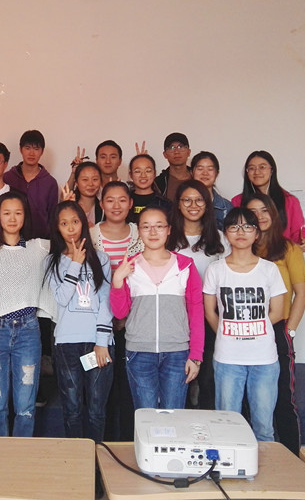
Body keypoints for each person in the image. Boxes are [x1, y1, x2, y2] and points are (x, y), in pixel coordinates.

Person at [0, 191, 54, 436]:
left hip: (28, 332)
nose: (12, 218)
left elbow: (69, 237)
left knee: (25, 407)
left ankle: (21, 453)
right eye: (6, 213)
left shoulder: (38, 246)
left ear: (25, 216)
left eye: (18, 213)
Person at [203, 207, 286, 442]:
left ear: (257, 234)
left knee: (264, 428)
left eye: (248, 226)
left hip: (264, 359)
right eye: (234, 227)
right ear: (226, 234)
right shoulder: (215, 269)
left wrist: (254, 326)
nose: (241, 232)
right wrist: (227, 332)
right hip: (228, 359)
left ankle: (266, 466)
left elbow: (278, 312)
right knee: (227, 427)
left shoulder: (269, 269)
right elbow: (210, 312)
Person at [110, 206, 203, 410]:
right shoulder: (129, 266)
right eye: (146, 226)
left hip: (177, 352)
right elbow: (120, 313)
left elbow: (196, 312)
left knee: (174, 415)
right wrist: (117, 281)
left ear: (169, 230)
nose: (153, 232)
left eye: (159, 226)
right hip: (139, 352)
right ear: (139, 231)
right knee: (146, 417)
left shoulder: (185, 266)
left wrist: (196, 356)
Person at [45, 201, 114, 443]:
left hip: (98, 343)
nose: (71, 228)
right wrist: (75, 263)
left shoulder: (101, 259)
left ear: (83, 224)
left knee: (96, 410)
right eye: (64, 223)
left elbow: (106, 302)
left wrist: (102, 341)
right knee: (72, 409)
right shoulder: (52, 261)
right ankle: (76, 459)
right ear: (57, 228)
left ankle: (96, 456)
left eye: (75, 222)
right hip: (67, 344)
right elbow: (61, 298)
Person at [247, 193, 305, 455]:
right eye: (253, 212)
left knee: (283, 396)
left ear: (273, 214)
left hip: (276, 328)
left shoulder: (288, 248)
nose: (260, 217)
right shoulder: (242, 249)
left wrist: (289, 330)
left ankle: (292, 457)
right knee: (248, 396)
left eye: (265, 210)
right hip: (245, 329)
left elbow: (301, 294)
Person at [167, 179, 229, 410]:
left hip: (210, 316)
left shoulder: (220, 239)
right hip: (176, 318)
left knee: (207, 380)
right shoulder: (167, 238)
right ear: (178, 204)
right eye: (187, 200)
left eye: (199, 200)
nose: (193, 205)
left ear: (207, 204)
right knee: (179, 379)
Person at [89, 181, 142, 441]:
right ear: (101, 204)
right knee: (102, 387)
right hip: (99, 322)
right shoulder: (91, 235)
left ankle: (129, 442)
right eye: (110, 200)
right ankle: (105, 442)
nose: (116, 205)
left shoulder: (141, 232)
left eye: (122, 200)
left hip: (134, 320)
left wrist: (124, 316)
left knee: (129, 384)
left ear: (131, 203)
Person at [231, 150, 305, 251]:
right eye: (251, 168)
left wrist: (304, 241)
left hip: (282, 255)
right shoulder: (237, 201)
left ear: (272, 170)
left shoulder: (289, 200)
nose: (257, 172)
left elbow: (298, 231)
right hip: (250, 256)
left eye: (262, 167)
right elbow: (234, 232)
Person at [3, 129, 59, 239]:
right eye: (27, 148)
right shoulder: (7, 178)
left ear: (42, 152)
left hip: (42, 241)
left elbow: (53, 217)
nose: (31, 153)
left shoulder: (50, 182)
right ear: (20, 150)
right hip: (12, 239)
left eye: (36, 149)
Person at [191, 151, 232, 230]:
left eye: (210, 169)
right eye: (200, 169)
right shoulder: (183, 203)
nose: (205, 173)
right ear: (191, 172)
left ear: (217, 174)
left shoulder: (226, 207)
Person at [127, 154, 171, 223]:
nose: (143, 176)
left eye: (148, 171)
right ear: (131, 175)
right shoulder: (124, 201)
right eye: (137, 171)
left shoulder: (165, 204)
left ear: (154, 174)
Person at [155, 133, 192, 201]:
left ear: (188, 152)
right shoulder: (159, 183)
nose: (176, 152)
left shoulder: (197, 177)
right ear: (165, 154)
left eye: (180, 147)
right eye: (171, 148)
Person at [71, 161, 103, 226]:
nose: (90, 184)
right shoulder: (69, 207)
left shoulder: (104, 209)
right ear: (76, 183)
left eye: (95, 179)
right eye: (85, 180)